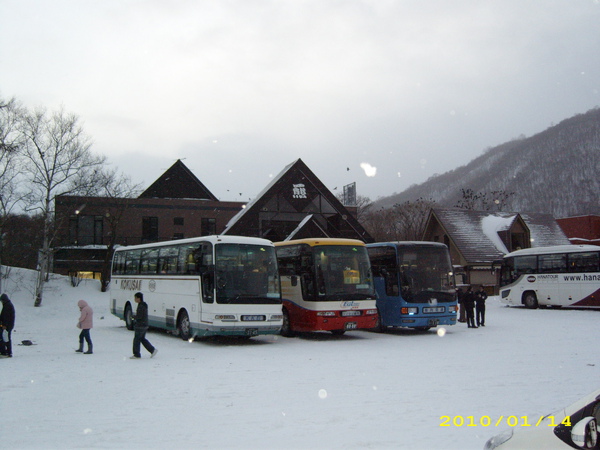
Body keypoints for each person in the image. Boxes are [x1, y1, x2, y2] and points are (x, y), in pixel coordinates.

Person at [131, 292, 158, 359]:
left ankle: (137, 354)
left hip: (140, 325)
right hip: (144, 325)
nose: (135, 299)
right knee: (142, 339)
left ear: (139, 298)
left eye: (135, 298)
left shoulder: (141, 306)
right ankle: (152, 350)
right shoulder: (144, 305)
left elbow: (139, 316)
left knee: (137, 339)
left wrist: (133, 317)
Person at [0, 293, 15, 358]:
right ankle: (6, 352)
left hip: (7, 325)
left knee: (6, 338)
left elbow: (6, 317)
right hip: (9, 325)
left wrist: (4, 325)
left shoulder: (7, 306)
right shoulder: (8, 305)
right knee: (5, 338)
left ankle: (7, 352)